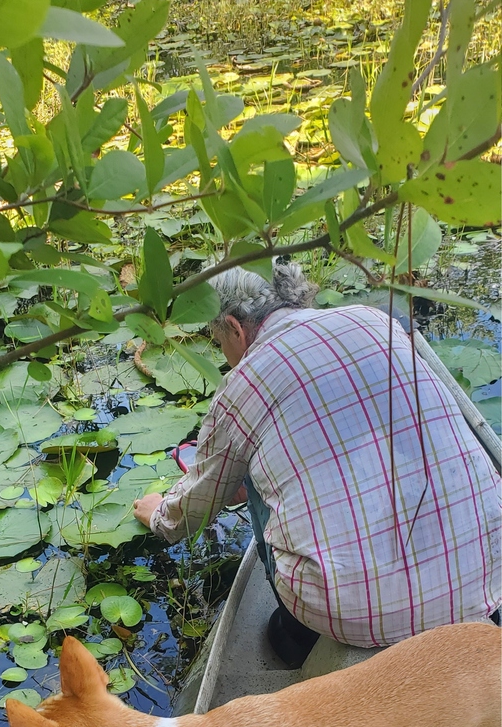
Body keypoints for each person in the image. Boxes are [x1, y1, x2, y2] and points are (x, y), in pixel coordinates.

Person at [133, 262, 501, 667]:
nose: (223, 354)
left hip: (355, 613)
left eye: (219, 339)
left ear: (236, 328)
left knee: (249, 465)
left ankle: (299, 634)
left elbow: (195, 505)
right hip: (492, 567)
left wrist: (160, 516)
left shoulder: (240, 387)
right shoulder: (374, 320)